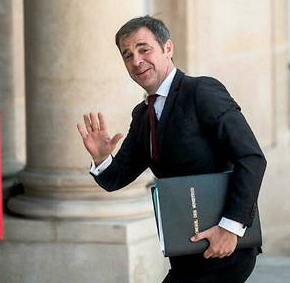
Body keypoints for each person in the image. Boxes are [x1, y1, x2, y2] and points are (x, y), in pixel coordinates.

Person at [76, 15, 266, 283]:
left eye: (144, 50)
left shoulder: (202, 92)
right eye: (127, 55)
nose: (136, 61)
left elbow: (252, 158)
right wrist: (101, 158)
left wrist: (231, 228)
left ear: (168, 48)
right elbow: (115, 178)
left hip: (224, 248)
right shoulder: (143, 115)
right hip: (186, 251)